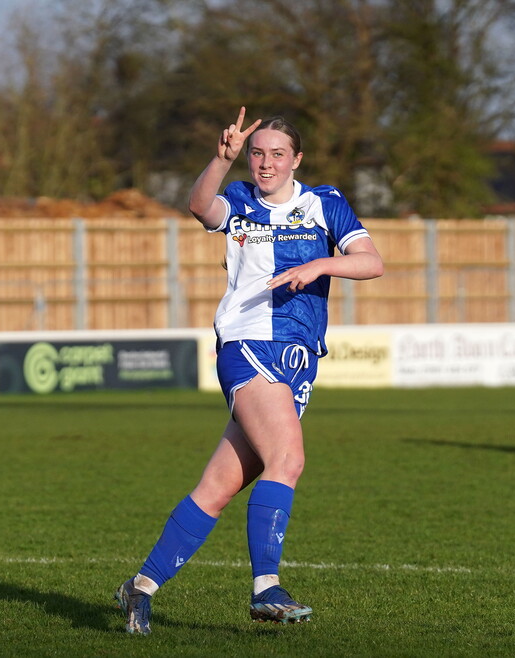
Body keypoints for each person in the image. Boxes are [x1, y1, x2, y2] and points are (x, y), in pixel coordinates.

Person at [114, 107, 384, 635]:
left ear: (296, 160)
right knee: (288, 457)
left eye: (276, 154)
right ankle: (266, 588)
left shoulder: (324, 204)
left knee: (216, 488)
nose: (264, 163)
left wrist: (320, 265)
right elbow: (198, 205)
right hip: (248, 342)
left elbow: (371, 261)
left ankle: (140, 587)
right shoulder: (237, 201)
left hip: (300, 356)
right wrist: (221, 160)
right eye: (257, 153)